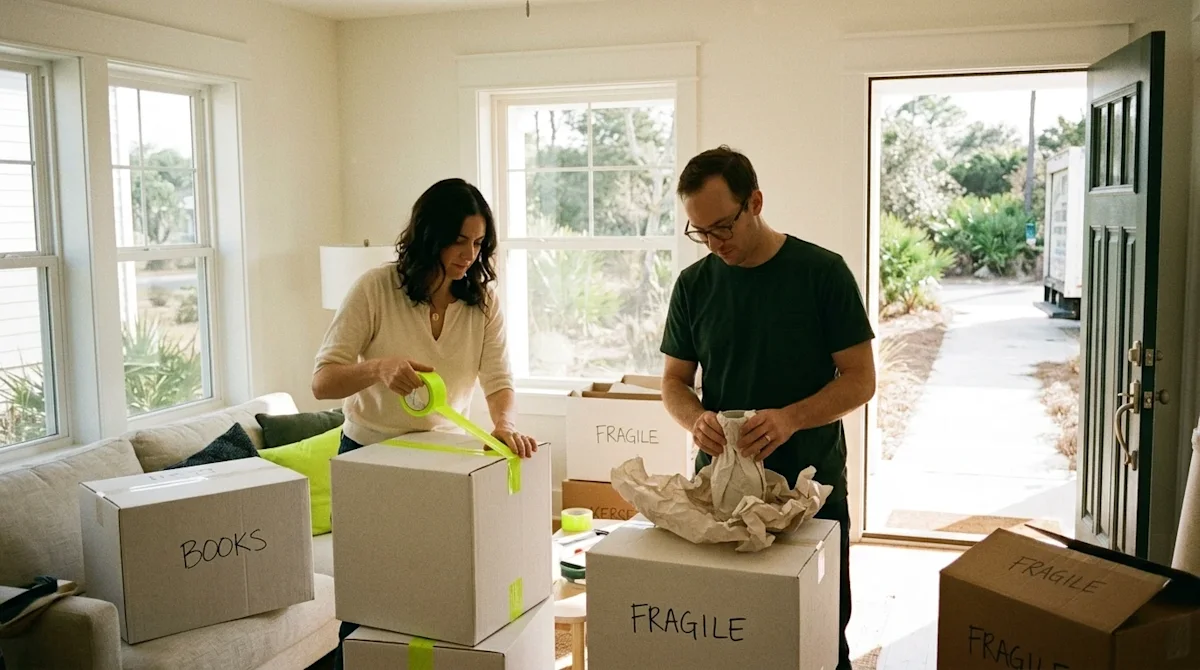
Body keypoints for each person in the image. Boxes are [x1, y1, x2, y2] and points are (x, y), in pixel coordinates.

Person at [659, 146, 876, 670]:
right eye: (700, 232)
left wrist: (790, 418)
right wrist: (696, 420)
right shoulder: (694, 285)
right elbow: (673, 382)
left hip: (811, 491)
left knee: (819, 637)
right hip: (722, 495)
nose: (714, 243)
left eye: (722, 227)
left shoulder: (822, 274)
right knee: (728, 638)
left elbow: (862, 380)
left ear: (755, 201)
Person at [311, 177, 538, 669]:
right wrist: (377, 367)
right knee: (368, 601)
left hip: (440, 468)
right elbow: (322, 382)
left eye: (478, 243)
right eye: (458, 240)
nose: (468, 254)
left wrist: (504, 422)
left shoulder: (482, 303)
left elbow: (499, 378)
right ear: (428, 234)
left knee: (438, 598)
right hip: (369, 462)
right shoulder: (376, 288)